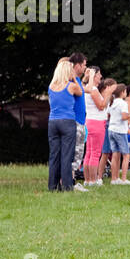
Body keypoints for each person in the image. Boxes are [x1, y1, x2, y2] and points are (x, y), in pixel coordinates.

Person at [47, 58, 85, 192]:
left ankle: (52, 186)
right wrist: (74, 79)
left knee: (54, 155)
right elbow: (80, 92)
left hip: (52, 122)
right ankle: (67, 186)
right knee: (67, 156)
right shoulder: (71, 86)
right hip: (67, 122)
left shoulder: (51, 87)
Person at [83, 68, 112, 185]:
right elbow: (101, 106)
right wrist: (108, 94)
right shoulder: (93, 90)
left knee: (89, 153)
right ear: (94, 76)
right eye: (99, 74)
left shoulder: (89, 89)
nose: (101, 76)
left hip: (90, 122)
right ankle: (93, 180)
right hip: (96, 123)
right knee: (95, 153)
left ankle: (87, 180)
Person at [107, 84, 130, 184]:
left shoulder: (112, 102)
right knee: (126, 155)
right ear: (122, 92)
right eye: (125, 91)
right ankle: (123, 179)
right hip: (120, 131)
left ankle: (114, 178)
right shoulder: (123, 103)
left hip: (111, 129)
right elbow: (123, 117)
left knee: (115, 154)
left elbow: (108, 114)